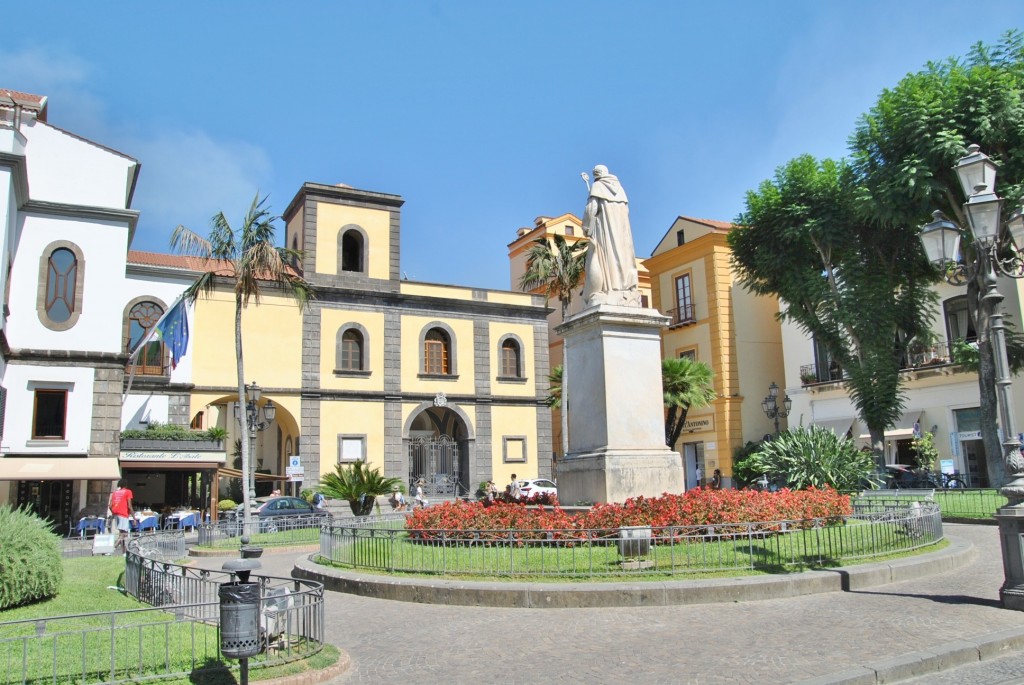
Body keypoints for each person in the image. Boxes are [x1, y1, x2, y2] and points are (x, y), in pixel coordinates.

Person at [580, 165, 641, 307]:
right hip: (622, 233)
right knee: (623, 256)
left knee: (607, 258)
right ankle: (624, 287)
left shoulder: (597, 187)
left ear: (596, 175)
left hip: (605, 230)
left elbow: (591, 209)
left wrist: (586, 227)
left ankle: (609, 288)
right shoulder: (620, 190)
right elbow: (627, 211)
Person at [108, 479, 134, 554]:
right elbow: (129, 506)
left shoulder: (115, 493)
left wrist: (113, 512)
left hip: (116, 514)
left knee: (122, 534)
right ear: (126, 485)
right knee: (124, 534)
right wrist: (134, 518)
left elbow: (110, 506)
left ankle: (124, 553)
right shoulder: (128, 492)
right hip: (123, 515)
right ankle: (112, 549)